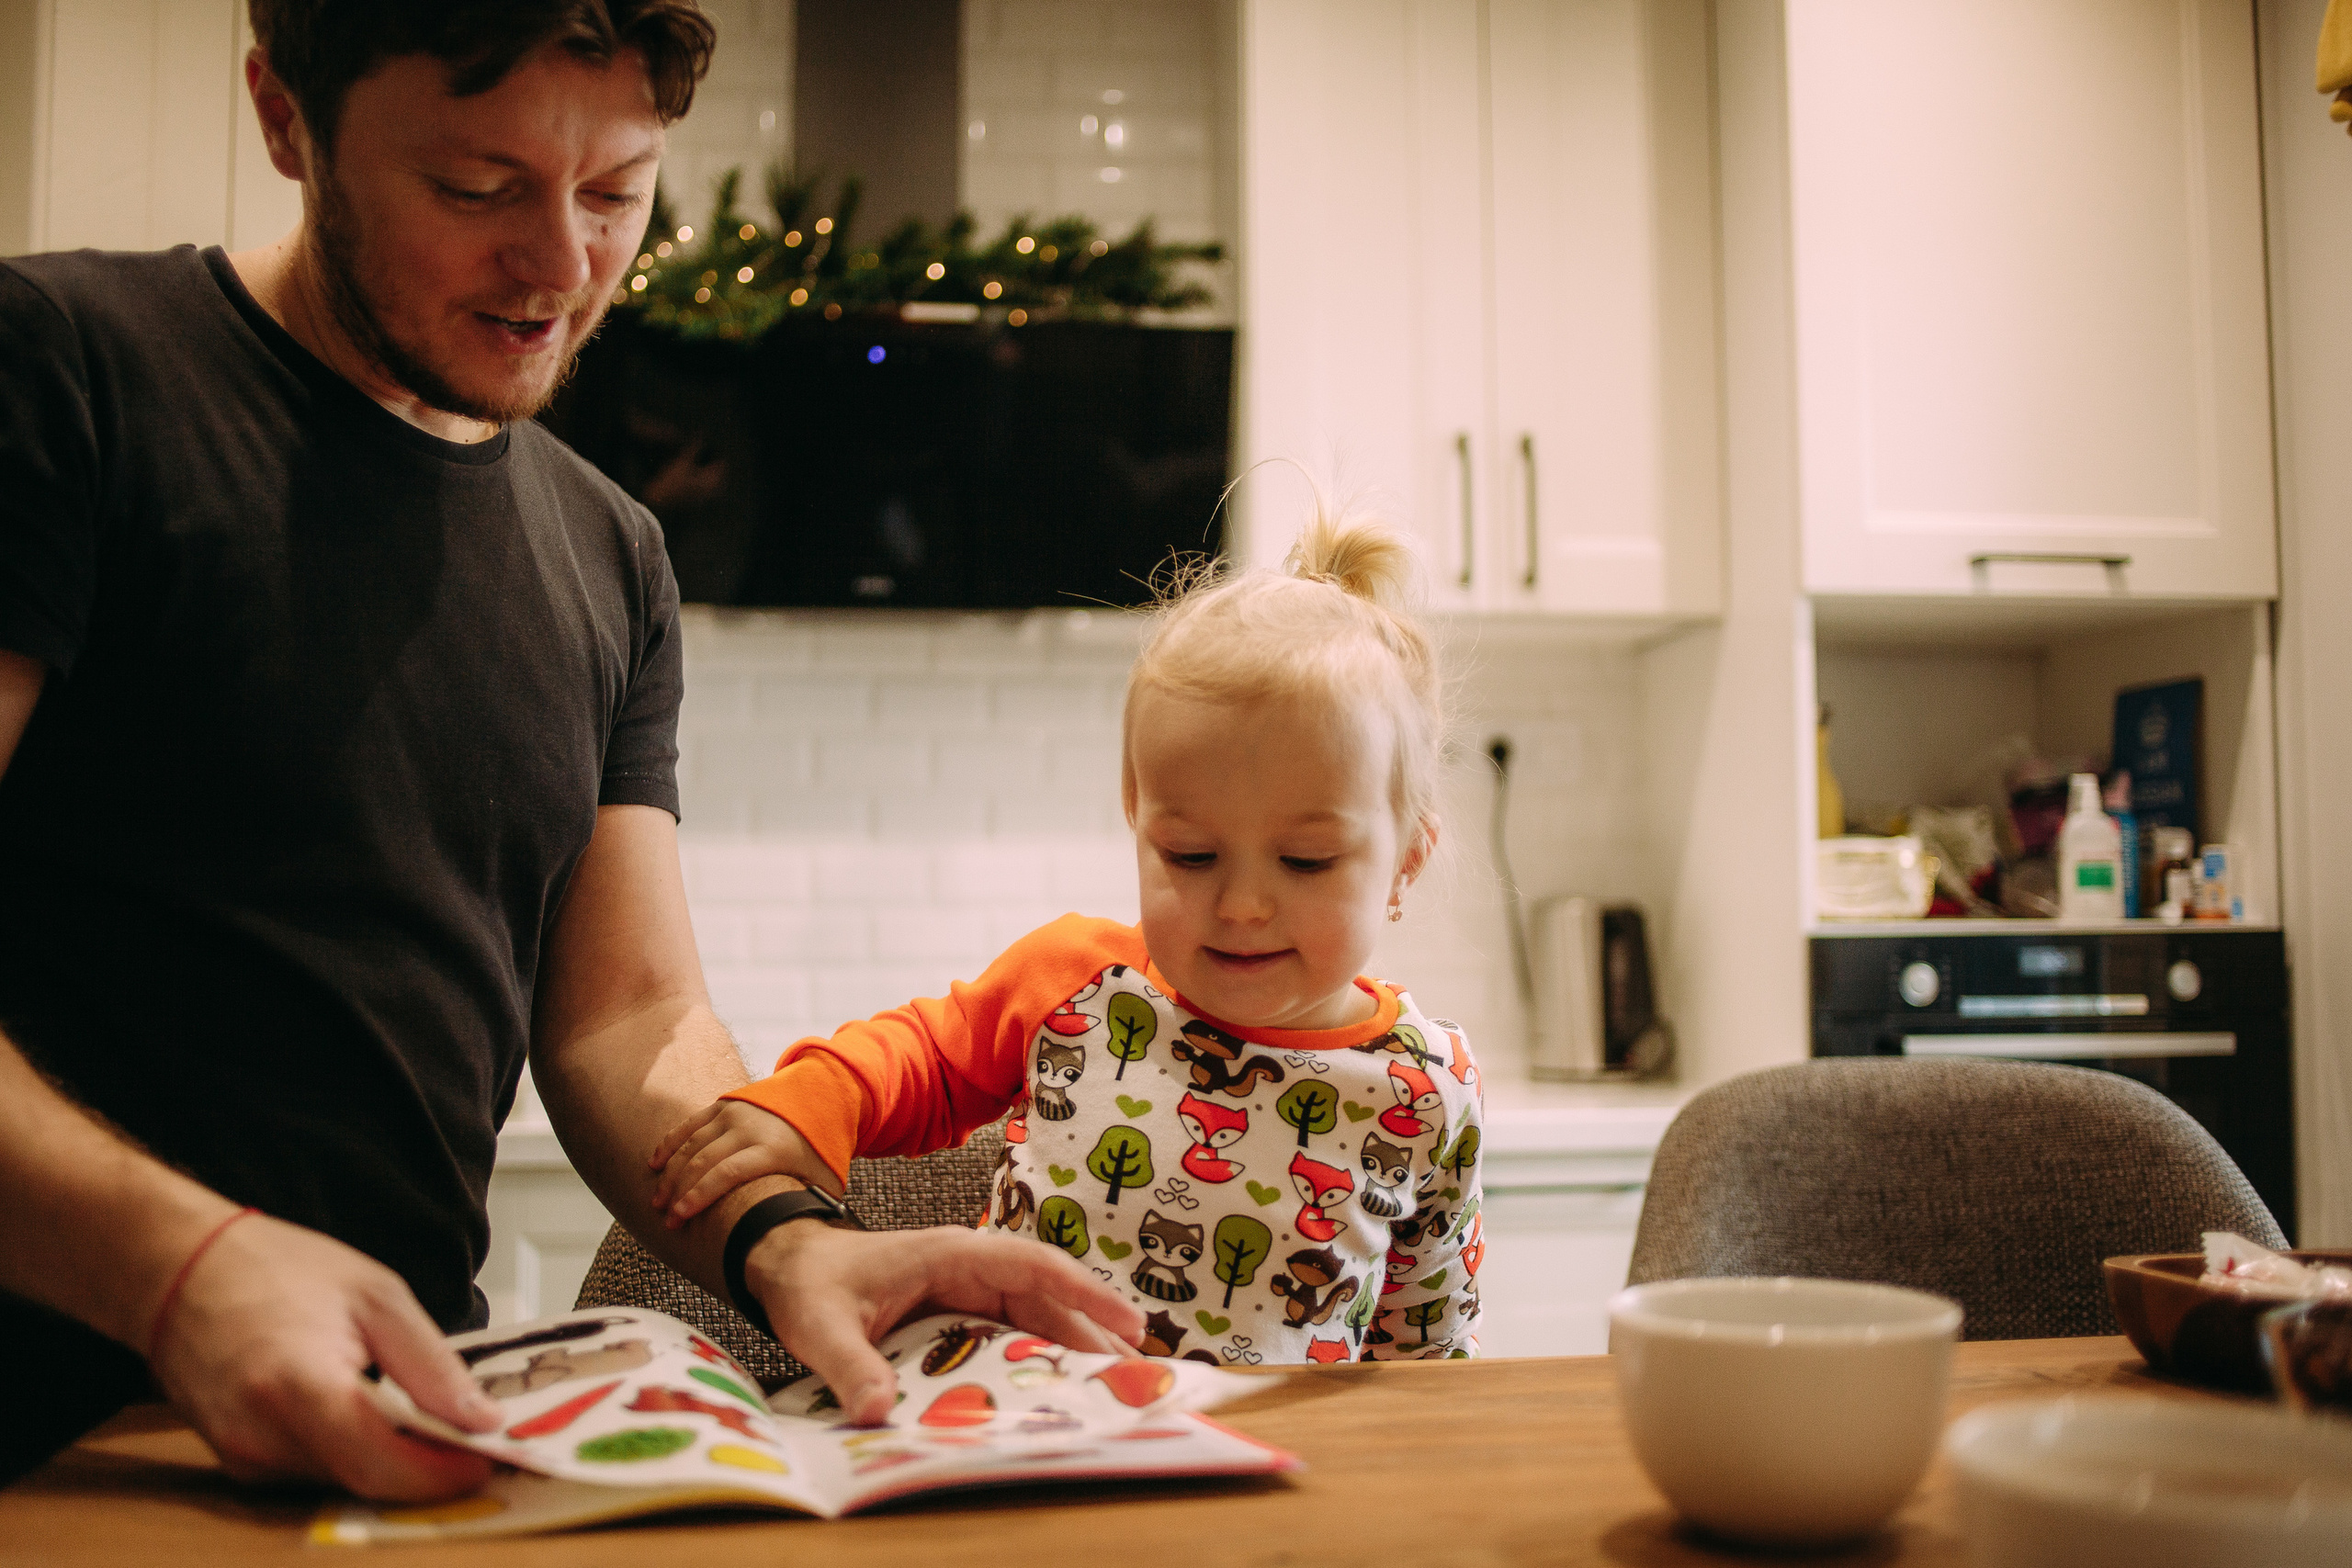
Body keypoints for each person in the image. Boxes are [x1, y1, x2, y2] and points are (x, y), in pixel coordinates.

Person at [0, 0, 1136, 1496]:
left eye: (616, 189)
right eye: (478, 188)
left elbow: (630, 1025)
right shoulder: (63, 373)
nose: (563, 262)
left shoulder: (609, 553)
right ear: (285, 117)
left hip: (389, 1439)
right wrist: (178, 1272)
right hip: (52, 1449)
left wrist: (790, 1239)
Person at [650, 510, 1487, 1364]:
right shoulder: (1081, 982)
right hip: (1024, 1433)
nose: (1240, 904)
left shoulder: (1426, 1086)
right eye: (1189, 854)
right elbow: (927, 1058)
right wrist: (813, 1106)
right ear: (1138, 817)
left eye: (1306, 861)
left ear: (1406, 860)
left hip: (1269, 1477)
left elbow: (1426, 1344)